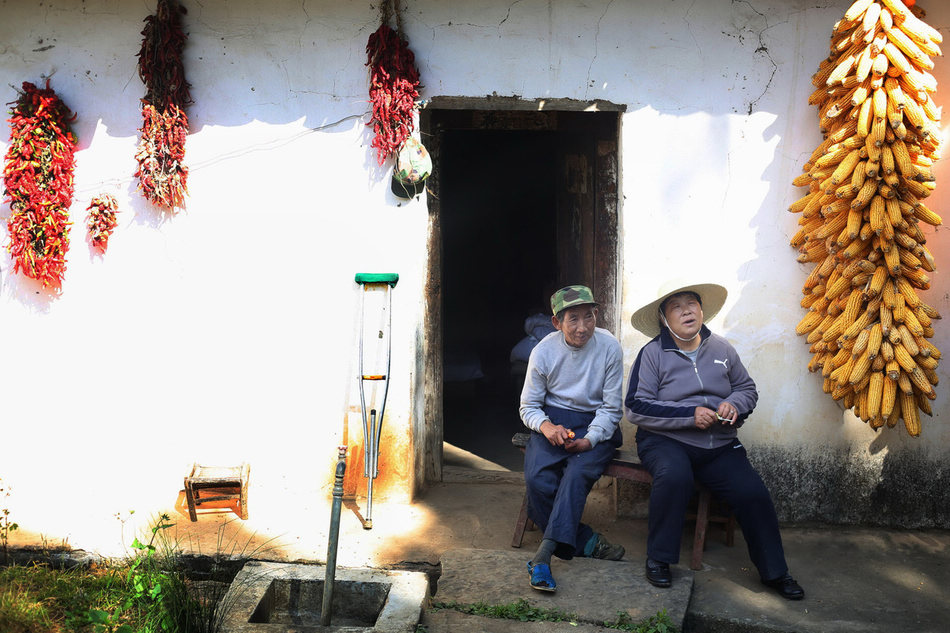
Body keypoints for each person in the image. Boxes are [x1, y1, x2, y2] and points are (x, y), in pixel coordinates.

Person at [625, 280, 804, 600]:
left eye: (691, 303)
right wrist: (689, 414)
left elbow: (747, 390)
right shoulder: (652, 353)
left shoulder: (722, 349)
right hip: (664, 440)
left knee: (753, 492)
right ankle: (659, 559)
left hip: (718, 444)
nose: (686, 311)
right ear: (664, 319)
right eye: (676, 306)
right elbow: (636, 406)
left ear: (701, 310)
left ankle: (775, 572)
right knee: (674, 475)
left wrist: (733, 405)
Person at [519, 285, 625, 592]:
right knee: (538, 479)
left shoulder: (609, 347)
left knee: (576, 474)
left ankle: (543, 556)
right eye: (573, 319)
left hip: (596, 422)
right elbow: (529, 406)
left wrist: (591, 439)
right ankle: (587, 541)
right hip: (555, 420)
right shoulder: (544, 352)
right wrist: (547, 427)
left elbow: (610, 407)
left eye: (589, 317)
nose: (583, 327)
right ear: (557, 323)